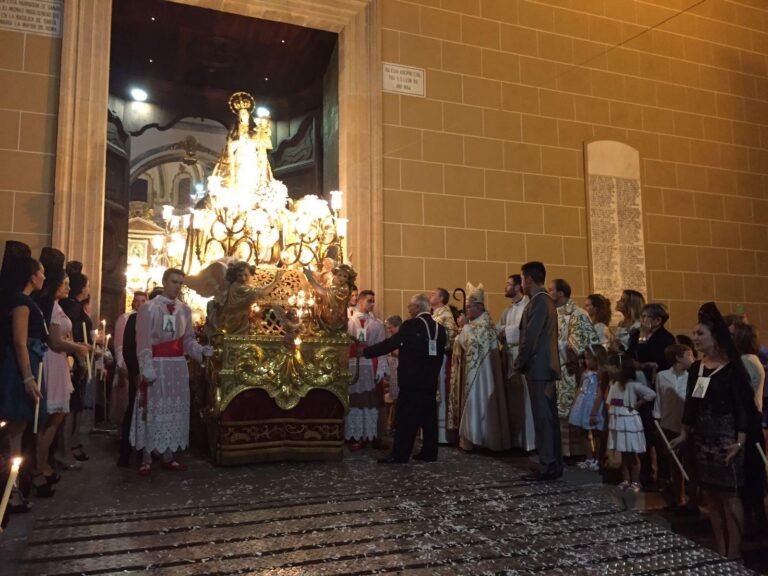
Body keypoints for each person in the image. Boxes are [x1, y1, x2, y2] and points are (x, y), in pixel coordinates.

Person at [671, 303, 762, 560]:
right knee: (710, 495)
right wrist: (683, 432)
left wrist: (740, 442)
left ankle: (734, 552)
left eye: (700, 334)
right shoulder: (696, 369)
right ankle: (720, 549)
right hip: (702, 438)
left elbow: (743, 408)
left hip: (727, 439)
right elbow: (691, 403)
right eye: (694, 334)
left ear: (715, 336)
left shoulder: (732, 369)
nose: (696, 338)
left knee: (730, 496)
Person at [130, 269, 213, 476]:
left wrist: (201, 351)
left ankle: (168, 455)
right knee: (153, 408)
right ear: (165, 282)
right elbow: (143, 341)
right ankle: (147, 456)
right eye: (174, 282)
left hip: (176, 367)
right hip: (156, 364)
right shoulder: (149, 308)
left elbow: (187, 340)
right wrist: (146, 366)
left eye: (180, 283)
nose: (177, 286)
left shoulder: (184, 310)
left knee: (172, 409)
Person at [361, 293, 446, 463]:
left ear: (417, 307)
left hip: (411, 381)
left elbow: (390, 344)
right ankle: (430, 452)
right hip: (429, 381)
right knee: (428, 418)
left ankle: (399, 454)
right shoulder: (440, 328)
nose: (408, 309)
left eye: (409, 306)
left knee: (404, 418)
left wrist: (366, 352)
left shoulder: (411, 325)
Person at [35, 250, 89, 492]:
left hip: (59, 362)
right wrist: (78, 346)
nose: (68, 288)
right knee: (52, 418)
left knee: (56, 417)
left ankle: (44, 461)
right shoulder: (52, 309)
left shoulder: (57, 306)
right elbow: (55, 342)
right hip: (53, 361)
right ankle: (41, 464)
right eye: (65, 284)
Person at [0, 250, 46, 512]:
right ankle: (10, 493)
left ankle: (13, 489)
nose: (44, 277)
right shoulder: (21, 301)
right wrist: (28, 377)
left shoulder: (27, 300)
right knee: (14, 431)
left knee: (19, 430)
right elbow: (19, 341)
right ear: (31, 276)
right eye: (41, 272)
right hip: (18, 371)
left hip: (26, 367)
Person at [448, 282, 511, 452]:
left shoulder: (483, 326)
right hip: (475, 373)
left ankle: (479, 437)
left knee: (480, 402)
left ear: (479, 307)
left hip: (483, 375)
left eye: (469, 307)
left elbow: (468, 343)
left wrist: (463, 328)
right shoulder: (477, 325)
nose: (466, 310)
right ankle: (471, 438)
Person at [515, 262, 562, 481]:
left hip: (540, 368)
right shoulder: (542, 301)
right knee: (546, 418)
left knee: (544, 418)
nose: (522, 284)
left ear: (529, 280)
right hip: (542, 368)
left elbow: (531, 337)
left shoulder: (540, 302)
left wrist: (519, 362)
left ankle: (548, 464)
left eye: (523, 279)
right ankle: (551, 462)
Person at [548, 278, 600, 457]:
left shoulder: (577, 315)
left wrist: (557, 347)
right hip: (554, 370)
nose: (548, 293)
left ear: (561, 293)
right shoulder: (552, 312)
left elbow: (580, 345)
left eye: (551, 290)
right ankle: (560, 451)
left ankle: (575, 452)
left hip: (570, 371)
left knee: (571, 411)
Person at [627, 302, 676, 488]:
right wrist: (638, 364)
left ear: (658, 320)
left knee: (656, 432)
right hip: (638, 386)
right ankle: (646, 471)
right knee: (642, 431)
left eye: (646, 317)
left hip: (656, 388)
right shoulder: (637, 335)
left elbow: (660, 360)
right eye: (642, 316)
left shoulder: (665, 338)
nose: (642, 320)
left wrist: (645, 363)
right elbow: (629, 355)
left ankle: (664, 475)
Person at [118, 287, 160, 467]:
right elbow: (128, 348)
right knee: (135, 409)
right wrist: (135, 372)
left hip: (158, 373)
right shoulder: (134, 319)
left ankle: (154, 448)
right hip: (140, 372)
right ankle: (126, 452)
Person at [606, 352, 656, 492]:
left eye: (612, 366)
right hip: (618, 420)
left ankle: (636, 480)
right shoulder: (613, 384)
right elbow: (610, 401)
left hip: (629, 420)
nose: (609, 369)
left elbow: (651, 394)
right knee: (623, 452)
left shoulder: (633, 385)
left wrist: (638, 404)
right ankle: (626, 479)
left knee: (632, 453)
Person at [653, 343, 694, 510]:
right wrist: (658, 420)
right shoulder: (662, 376)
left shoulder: (692, 376)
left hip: (686, 426)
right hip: (668, 424)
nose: (693, 358)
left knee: (690, 463)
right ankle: (679, 498)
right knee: (674, 463)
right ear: (678, 357)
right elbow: (659, 399)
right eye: (689, 355)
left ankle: (693, 500)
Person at [497, 274, 534, 451]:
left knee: (525, 399)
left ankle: (529, 442)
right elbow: (499, 328)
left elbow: (527, 331)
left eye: (508, 284)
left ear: (518, 287)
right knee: (514, 400)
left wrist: (507, 331)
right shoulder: (508, 310)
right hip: (509, 357)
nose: (505, 287)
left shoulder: (528, 306)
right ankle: (517, 440)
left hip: (523, 358)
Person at [59, 261, 92, 463]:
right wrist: (82, 347)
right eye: (87, 285)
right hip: (73, 359)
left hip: (77, 356)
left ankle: (72, 444)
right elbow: (70, 334)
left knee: (76, 405)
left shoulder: (75, 306)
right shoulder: (72, 308)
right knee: (71, 406)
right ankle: (66, 449)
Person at [346, 289, 386, 449]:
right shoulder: (349, 322)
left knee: (372, 401)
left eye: (373, 301)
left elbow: (382, 346)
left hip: (370, 366)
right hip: (353, 366)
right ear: (360, 301)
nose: (372, 304)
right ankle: (357, 436)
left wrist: (382, 367)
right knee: (356, 401)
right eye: (369, 300)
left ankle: (373, 435)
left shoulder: (377, 324)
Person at [569, 345, 607, 471]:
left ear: (597, 359)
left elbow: (600, 392)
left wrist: (594, 411)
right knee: (583, 432)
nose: (587, 362)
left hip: (593, 403)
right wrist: (574, 404)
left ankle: (597, 459)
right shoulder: (585, 373)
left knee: (596, 433)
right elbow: (580, 388)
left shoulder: (600, 373)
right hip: (583, 403)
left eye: (589, 359)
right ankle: (589, 457)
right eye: (585, 359)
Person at [112, 291, 147, 426]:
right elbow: (120, 344)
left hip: (142, 364)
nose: (140, 303)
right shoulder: (126, 318)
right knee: (128, 399)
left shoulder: (148, 318)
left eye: (143, 301)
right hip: (128, 364)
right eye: (137, 300)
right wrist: (123, 364)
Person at [429, 287, 458, 444]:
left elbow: (451, 337)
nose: (430, 295)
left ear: (441, 298)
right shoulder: (435, 314)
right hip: (431, 359)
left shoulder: (445, 315)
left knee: (440, 391)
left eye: (433, 293)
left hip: (440, 358)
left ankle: (442, 434)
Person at [382, 315, 402, 436]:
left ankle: (396, 425)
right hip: (391, 372)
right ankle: (392, 424)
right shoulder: (393, 337)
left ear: (397, 326)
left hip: (398, 371)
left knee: (398, 399)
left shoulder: (401, 337)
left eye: (391, 328)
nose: (389, 331)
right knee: (393, 398)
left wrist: (391, 351)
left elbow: (401, 353)